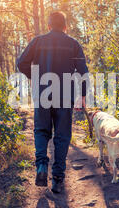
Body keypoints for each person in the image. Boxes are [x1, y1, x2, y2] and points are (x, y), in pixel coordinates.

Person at [17, 11, 88, 193]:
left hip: (43, 94)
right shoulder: (73, 44)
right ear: (65, 27)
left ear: (49, 26)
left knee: (41, 131)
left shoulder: (38, 41)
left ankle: (41, 166)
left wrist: (35, 77)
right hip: (65, 95)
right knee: (62, 136)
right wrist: (83, 95)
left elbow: (21, 63)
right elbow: (82, 72)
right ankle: (57, 178)